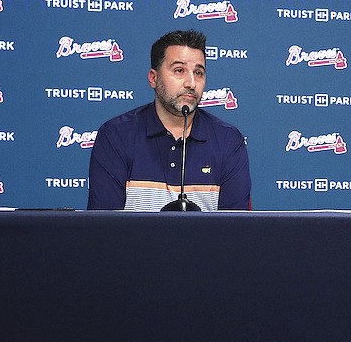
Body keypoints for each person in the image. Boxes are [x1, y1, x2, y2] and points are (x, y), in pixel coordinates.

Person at [87, 30, 251, 211]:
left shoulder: (228, 140)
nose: (191, 83)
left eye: (198, 72)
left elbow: (236, 231)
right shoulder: (116, 136)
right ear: (153, 78)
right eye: (179, 70)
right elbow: (103, 230)